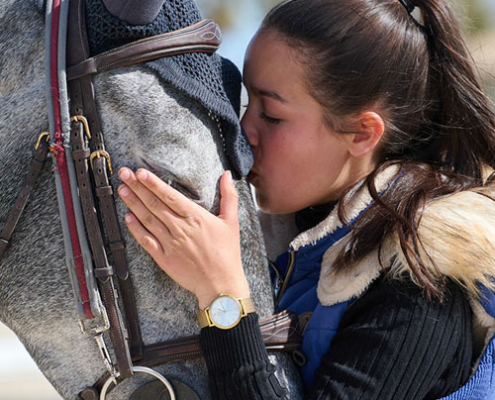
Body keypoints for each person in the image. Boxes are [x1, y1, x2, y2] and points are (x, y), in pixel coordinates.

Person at [117, 0, 495, 398]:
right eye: (245, 103)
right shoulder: (299, 244)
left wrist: (221, 294)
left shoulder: (421, 281)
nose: (243, 132)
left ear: (363, 133)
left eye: (272, 115)